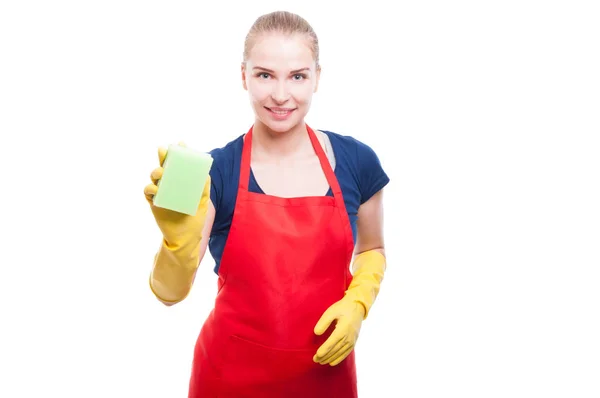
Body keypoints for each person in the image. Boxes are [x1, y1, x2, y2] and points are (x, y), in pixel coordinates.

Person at [143, 10, 389, 398]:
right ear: (243, 76)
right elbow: (169, 293)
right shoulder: (215, 171)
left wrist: (358, 303)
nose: (280, 95)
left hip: (327, 378)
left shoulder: (357, 162)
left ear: (317, 77)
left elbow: (372, 248)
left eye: (297, 76)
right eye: (264, 75)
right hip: (227, 379)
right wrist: (177, 242)